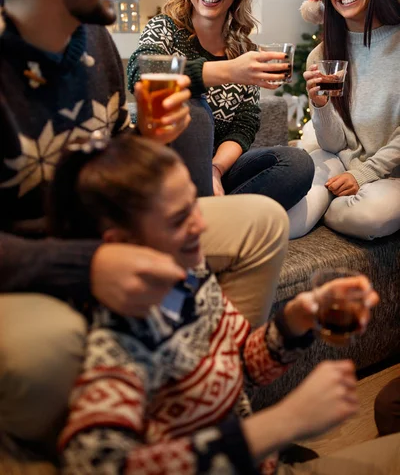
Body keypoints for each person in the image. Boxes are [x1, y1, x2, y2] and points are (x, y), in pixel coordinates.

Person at [0, 0, 288, 448]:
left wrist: (146, 138)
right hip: (33, 261)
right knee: (49, 348)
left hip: (115, 227)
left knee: (264, 222)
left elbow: (109, 151)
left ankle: (208, 402)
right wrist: (87, 266)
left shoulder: (94, 41)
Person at [51, 131, 400, 475]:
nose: (201, 224)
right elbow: (95, 465)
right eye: (178, 218)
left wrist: (295, 319)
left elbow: (241, 366)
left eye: (195, 203)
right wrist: (284, 422)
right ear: (120, 241)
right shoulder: (117, 347)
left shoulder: (189, 279)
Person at [128, 0, 314, 209]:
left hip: (219, 170)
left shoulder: (243, 47)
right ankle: (216, 219)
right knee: (192, 104)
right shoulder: (164, 29)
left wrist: (213, 170)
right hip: (167, 166)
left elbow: (244, 125)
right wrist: (231, 71)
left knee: (296, 163)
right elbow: (140, 74)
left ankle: (211, 217)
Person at [288, 0, 400, 240]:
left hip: (392, 172)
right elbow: (335, 145)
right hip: (340, 157)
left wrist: (363, 173)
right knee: (291, 218)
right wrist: (320, 106)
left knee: (372, 217)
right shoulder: (323, 56)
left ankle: (325, 209)